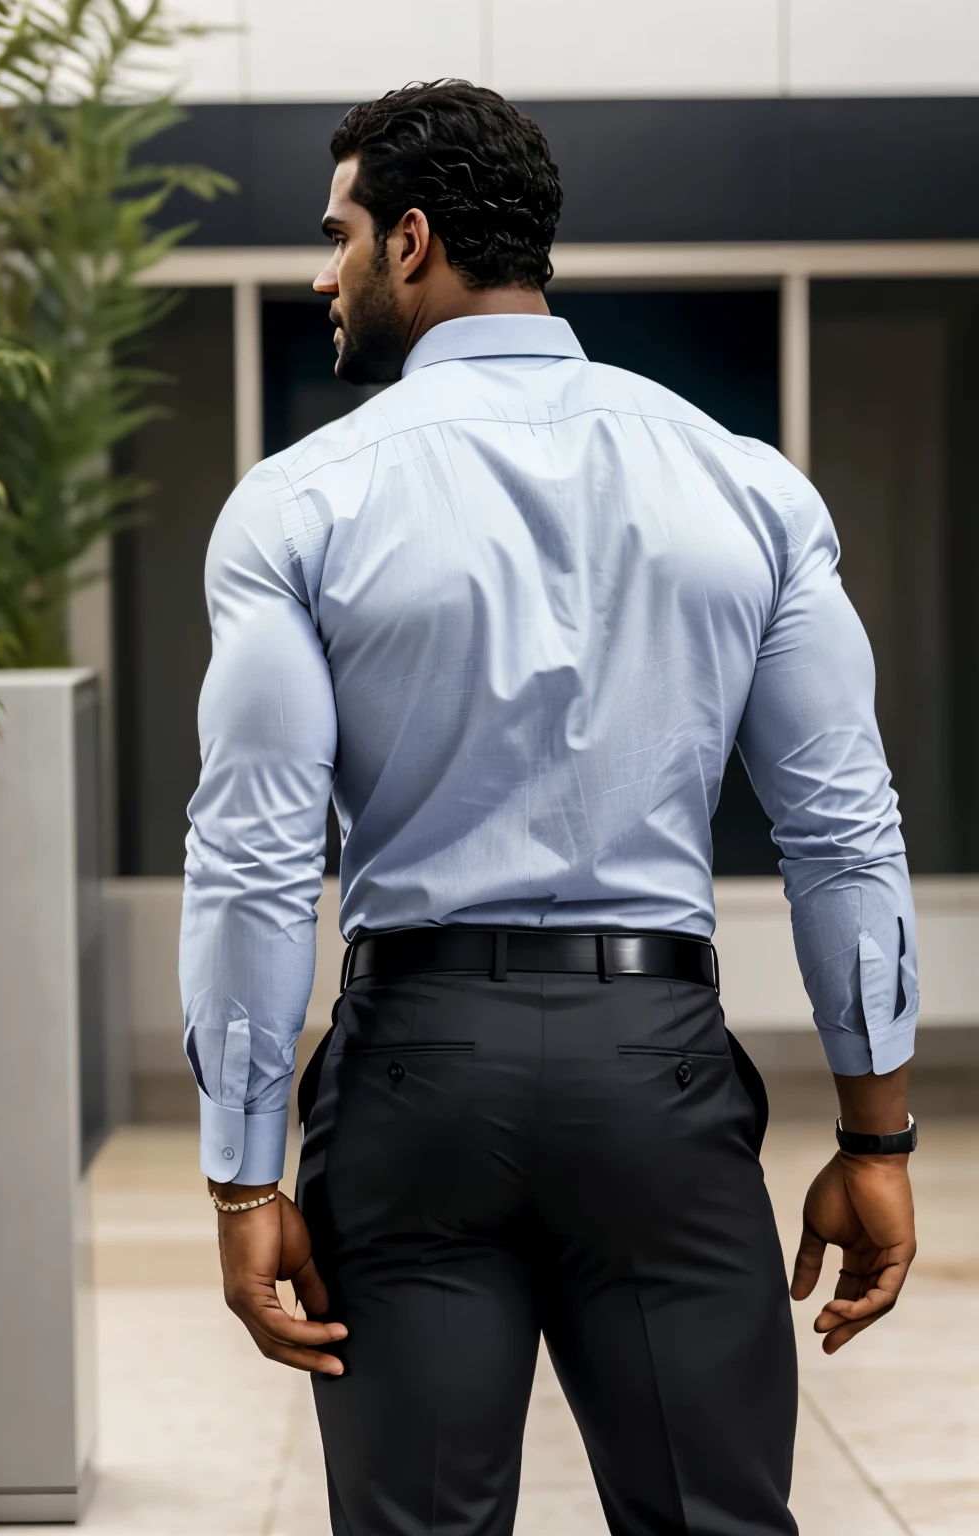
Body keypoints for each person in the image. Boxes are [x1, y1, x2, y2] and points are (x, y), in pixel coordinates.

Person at [180, 80, 919, 1536]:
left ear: (411, 241)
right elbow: (842, 829)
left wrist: (239, 1178)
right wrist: (876, 1138)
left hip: (412, 1084)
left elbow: (258, 862)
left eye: (334, 238)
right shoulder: (749, 489)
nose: (318, 274)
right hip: (652, 1074)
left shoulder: (297, 505)